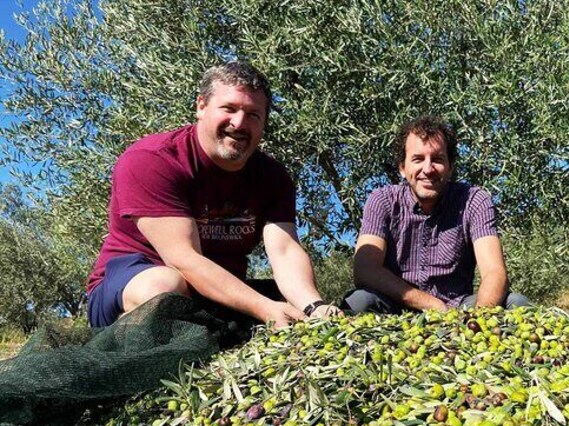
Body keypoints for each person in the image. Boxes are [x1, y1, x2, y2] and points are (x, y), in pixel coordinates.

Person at [86, 62, 339, 328]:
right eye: (229, 108)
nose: (239, 123)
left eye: (253, 115)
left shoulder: (273, 177)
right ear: (201, 106)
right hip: (133, 282)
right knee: (165, 287)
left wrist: (314, 307)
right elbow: (184, 259)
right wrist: (264, 308)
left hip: (218, 295)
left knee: (287, 303)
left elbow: (285, 251)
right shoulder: (152, 160)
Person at [342, 115, 528, 314]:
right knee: (358, 301)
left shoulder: (474, 200)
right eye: (418, 159)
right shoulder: (383, 200)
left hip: (458, 308)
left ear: (450, 167)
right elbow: (365, 270)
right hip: (395, 306)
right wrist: (431, 304)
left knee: (515, 302)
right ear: (402, 168)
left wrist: (477, 319)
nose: (428, 169)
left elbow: (494, 272)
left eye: (438, 159)